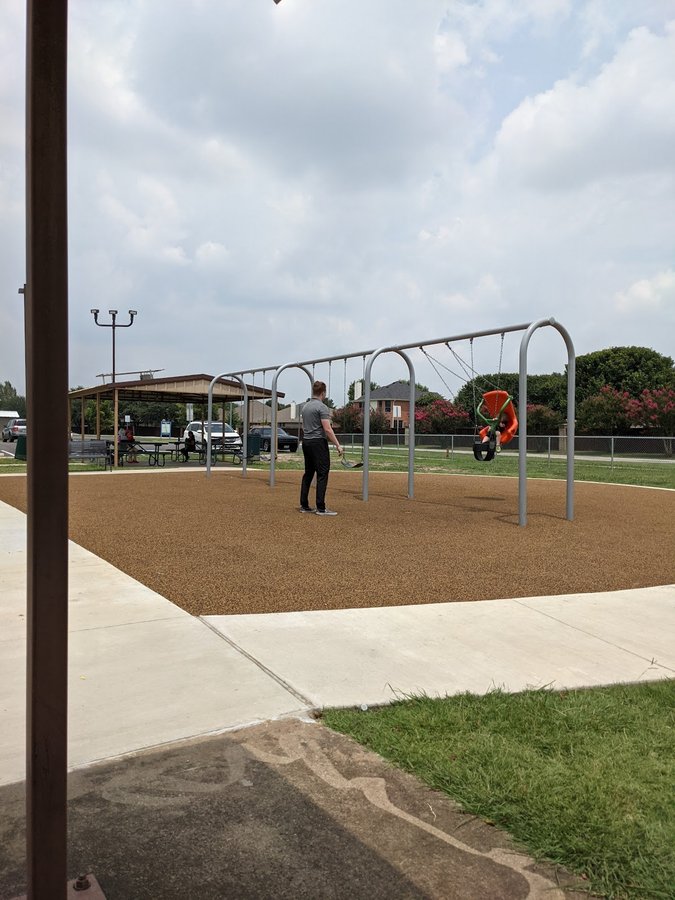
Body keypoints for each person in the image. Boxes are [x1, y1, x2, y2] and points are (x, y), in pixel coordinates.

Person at [299, 381, 343, 516]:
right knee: (322, 473)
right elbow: (327, 429)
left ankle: (304, 505)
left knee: (308, 473)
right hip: (318, 442)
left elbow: (303, 426)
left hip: (306, 442)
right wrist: (338, 445)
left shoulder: (305, 407)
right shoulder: (322, 407)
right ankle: (321, 508)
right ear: (323, 393)